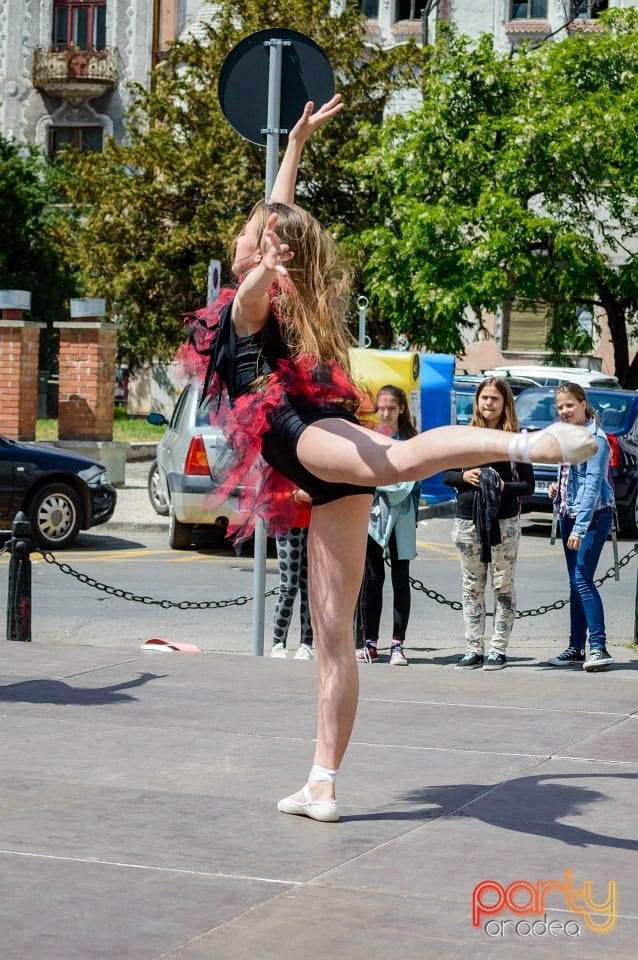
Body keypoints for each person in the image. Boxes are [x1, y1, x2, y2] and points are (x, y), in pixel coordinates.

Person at [180, 95, 597, 823]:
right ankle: (322, 782)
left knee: (397, 462)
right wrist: (297, 145)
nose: (241, 235)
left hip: (296, 430)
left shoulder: (251, 299)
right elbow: (277, 207)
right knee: (333, 633)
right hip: (313, 439)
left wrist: (264, 266)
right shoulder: (271, 268)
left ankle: (530, 444)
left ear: (264, 254)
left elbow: (254, 279)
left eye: (250, 236)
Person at [443, 378, 535, 671]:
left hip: (503, 522)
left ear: (505, 402)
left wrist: (502, 485)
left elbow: (528, 485)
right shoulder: (464, 435)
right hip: (468, 519)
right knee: (471, 587)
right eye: (484, 398)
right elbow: (445, 474)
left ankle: (498, 648)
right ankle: (473, 647)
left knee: (502, 585)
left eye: (495, 398)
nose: (488, 404)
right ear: (477, 401)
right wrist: (464, 477)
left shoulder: (514, 440)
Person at [546, 382, 615, 672]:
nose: (564, 410)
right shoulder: (567, 436)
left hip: (592, 517)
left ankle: (598, 647)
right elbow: (572, 478)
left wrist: (579, 529)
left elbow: (592, 487)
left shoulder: (595, 439)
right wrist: (557, 489)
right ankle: (576, 647)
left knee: (582, 579)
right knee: (576, 582)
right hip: (568, 513)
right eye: (560, 406)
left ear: (583, 404)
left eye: (569, 405)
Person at [357, 385, 419, 666]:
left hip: (403, 519)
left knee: (400, 580)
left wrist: (378, 483)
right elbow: (360, 476)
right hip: (373, 518)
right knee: (372, 579)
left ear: (402, 409)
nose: (385, 414)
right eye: (380, 408)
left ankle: (398, 644)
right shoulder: (369, 438)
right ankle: (369, 642)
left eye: (391, 408)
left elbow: (407, 483)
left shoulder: (411, 441)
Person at [271, 488, 314, 660]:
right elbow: (270, 489)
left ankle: (306, 643)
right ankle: (278, 643)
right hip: (287, 523)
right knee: (288, 586)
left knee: (310, 586)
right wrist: (295, 494)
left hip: (314, 523)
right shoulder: (283, 460)